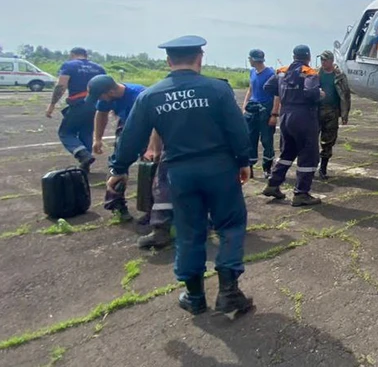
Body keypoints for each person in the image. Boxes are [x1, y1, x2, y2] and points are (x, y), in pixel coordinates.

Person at [106, 35, 254, 318]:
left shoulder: (150, 96)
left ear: (168, 61)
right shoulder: (218, 90)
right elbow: (238, 130)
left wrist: (119, 168)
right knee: (231, 226)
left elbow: (131, 137)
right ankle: (229, 292)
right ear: (200, 58)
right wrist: (243, 161)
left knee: (189, 232)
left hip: (181, 173)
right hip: (220, 169)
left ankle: (195, 296)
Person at [89, 74, 175, 248]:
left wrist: (153, 148)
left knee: (150, 169)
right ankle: (116, 204)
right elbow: (101, 114)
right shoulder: (106, 96)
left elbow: (156, 122)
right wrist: (96, 138)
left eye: (101, 96)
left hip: (150, 129)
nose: (101, 100)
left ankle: (153, 211)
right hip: (127, 127)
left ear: (111, 91)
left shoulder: (140, 94)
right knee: (117, 166)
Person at [261, 45, 324, 206]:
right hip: (304, 117)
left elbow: (267, 87)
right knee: (308, 155)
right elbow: (311, 92)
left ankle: (273, 184)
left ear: (294, 56)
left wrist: (285, 93)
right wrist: (320, 94)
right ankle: (301, 193)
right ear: (308, 57)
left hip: (286, 115)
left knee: (287, 152)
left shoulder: (282, 71)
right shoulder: (309, 72)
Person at [45, 47, 106, 172]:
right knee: (86, 132)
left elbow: (61, 86)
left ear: (72, 54)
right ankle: (86, 165)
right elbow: (105, 86)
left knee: (66, 132)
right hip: (96, 105)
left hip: (79, 103)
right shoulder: (99, 68)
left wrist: (52, 105)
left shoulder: (69, 66)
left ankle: (83, 154)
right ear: (86, 55)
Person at [241, 49, 277, 177]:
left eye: (250, 58)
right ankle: (250, 168)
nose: (249, 60)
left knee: (267, 140)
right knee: (250, 138)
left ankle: (267, 168)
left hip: (265, 110)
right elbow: (250, 90)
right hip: (253, 109)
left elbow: (277, 96)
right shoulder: (252, 72)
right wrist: (245, 106)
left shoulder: (271, 74)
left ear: (254, 59)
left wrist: (274, 114)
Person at [316, 49, 351, 180]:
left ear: (331, 61)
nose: (323, 62)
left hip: (332, 111)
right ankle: (311, 166)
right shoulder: (316, 74)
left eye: (325, 60)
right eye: (321, 60)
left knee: (328, 140)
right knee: (311, 139)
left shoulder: (339, 76)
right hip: (316, 110)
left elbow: (346, 95)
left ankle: (323, 168)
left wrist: (345, 114)